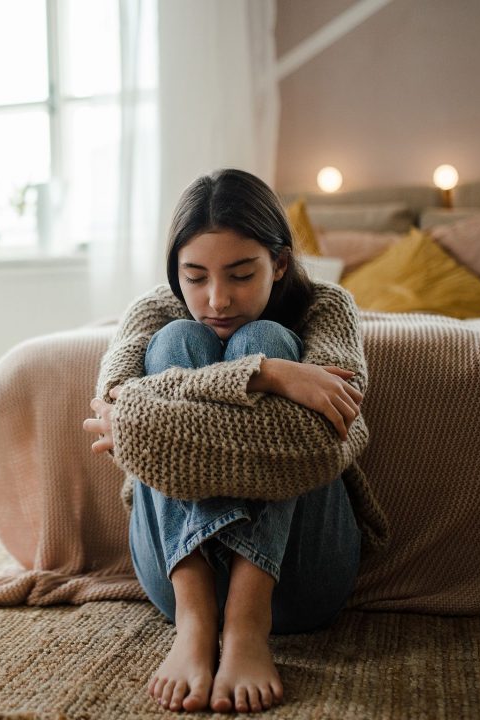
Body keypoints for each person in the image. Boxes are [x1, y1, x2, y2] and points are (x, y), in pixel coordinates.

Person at [83, 169, 388, 713]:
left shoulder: (327, 308)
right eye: (194, 277)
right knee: (180, 338)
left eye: (241, 275)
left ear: (279, 263)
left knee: (267, 335)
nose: (216, 299)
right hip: (176, 578)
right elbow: (117, 406)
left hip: (301, 578)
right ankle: (196, 624)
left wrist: (259, 362)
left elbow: (325, 443)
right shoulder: (157, 311)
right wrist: (267, 376)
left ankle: (248, 625)